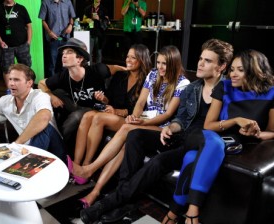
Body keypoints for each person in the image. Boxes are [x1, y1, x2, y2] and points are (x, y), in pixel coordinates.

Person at [79, 39, 234, 224]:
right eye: (201, 58)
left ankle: (109, 203)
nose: (200, 63)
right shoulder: (193, 88)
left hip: (198, 143)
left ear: (222, 66)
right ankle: (122, 199)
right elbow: (181, 120)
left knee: (158, 160)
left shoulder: (229, 90)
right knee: (134, 134)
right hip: (180, 136)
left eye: (207, 61)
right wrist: (170, 127)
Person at [163, 49, 274, 224]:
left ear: (254, 71)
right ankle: (193, 213)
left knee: (192, 159)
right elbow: (209, 125)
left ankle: (172, 214)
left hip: (233, 144)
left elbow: (272, 132)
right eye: (232, 69)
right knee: (214, 142)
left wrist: (255, 131)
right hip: (205, 136)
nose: (233, 74)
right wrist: (236, 120)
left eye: (240, 70)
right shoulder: (224, 86)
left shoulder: (271, 93)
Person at [70, 45, 189, 208]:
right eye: (159, 62)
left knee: (127, 129)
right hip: (144, 121)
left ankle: (89, 169)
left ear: (174, 64)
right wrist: (135, 116)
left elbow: (168, 115)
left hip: (164, 128)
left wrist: (142, 122)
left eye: (165, 64)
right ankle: (95, 192)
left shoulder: (182, 83)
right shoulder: (153, 74)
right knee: (126, 141)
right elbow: (140, 102)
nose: (160, 67)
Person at [73, 43, 151, 174]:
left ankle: (86, 165)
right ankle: (75, 163)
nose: (128, 60)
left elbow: (144, 108)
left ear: (142, 60)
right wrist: (103, 99)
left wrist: (118, 111)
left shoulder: (147, 80)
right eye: (127, 57)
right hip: (112, 113)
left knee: (98, 117)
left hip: (129, 118)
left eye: (133, 58)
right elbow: (109, 97)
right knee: (87, 116)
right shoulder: (121, 75)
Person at [38, 38, 126, 152]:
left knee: (76, 117)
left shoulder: (97, 70)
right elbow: (41, 83)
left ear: (79, 59)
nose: (63, 56)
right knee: (55, 93)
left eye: (69, 52)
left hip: (94, 108)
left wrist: (132, 71)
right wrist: (51, 96)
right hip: (75, 105)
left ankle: (59, 146)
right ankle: (49, 135)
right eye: (63, 53)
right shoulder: (63, 75)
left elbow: (116, 68)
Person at [0, 63, 66, 162]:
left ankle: (27, 164)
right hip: (26, 149)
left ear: (29, 83)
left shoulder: (40, 96)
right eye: (10, 79)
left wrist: (16, 144)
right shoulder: (5, 101)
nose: (11, 84)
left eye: (16, 80)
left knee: (44, 127)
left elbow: (44, 117)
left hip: (53, 149)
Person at [0, 0, 32, 78]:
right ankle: (10, 90)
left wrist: (28, 42)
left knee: (26, 68)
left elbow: (29, 26)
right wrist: (0, 41)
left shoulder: (21, 8)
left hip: (22, 45)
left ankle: (26, 88)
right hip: (6, 46)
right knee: (7, 69)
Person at [38, 0, 76, 77]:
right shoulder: (46, 3)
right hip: (53, 38)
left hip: (65, 38)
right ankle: (53, 83)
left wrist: (71, 25)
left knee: (66, 62)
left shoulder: (67, 2)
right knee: (53, 63)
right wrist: (49, 32)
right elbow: (43, 20)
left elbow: (71, 16)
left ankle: (65, 81)